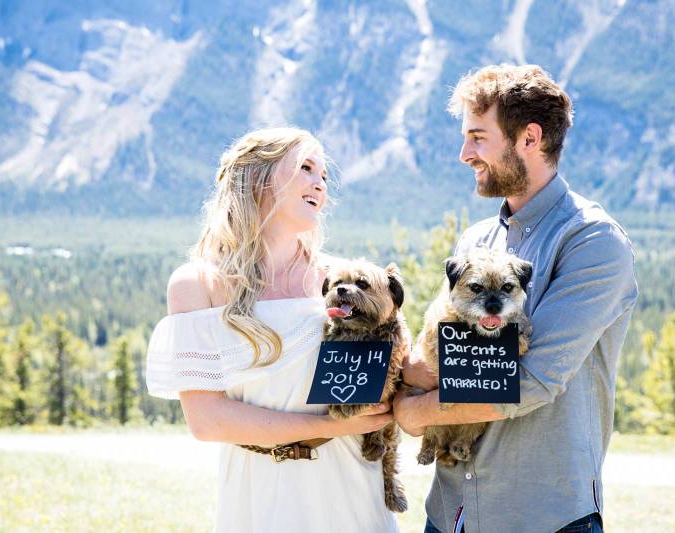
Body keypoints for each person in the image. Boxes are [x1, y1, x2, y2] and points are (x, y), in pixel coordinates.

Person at [394, 64, 638, 533]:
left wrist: (413, 410)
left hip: (540, 516)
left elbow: (530, 381)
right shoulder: (475, 240)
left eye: (478, 137)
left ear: (529, 138)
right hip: (449, 513)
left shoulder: (592, 242)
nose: (465, 153)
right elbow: (440, 349)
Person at [145, 128, 399, 533]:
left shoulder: (343, 281)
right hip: (257, 494)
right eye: (305, 168)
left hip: (351, 487)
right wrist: (331, 427)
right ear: (259, 179)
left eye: (324, 175)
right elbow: (207, 420)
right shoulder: (198, 284)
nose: (320, 183)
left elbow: (394, 366)